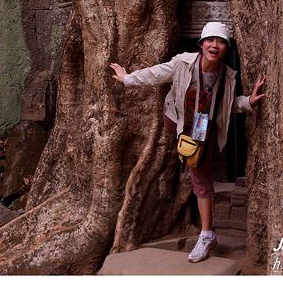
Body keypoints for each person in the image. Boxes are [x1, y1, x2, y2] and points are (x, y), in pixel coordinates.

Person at [110, 21, 266, 263]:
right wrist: (127, 78)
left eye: (221, 41)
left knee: (200, 176)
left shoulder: (227, 77)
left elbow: (229, 106)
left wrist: (248, 102)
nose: (215, 45)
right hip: (178, 121)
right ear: (201, 44)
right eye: (210, 40)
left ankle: (207, 234)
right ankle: (204, 223)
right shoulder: (183, 63)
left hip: (204, 131)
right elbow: (156, 74)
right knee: (193, 165)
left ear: (226, 48)